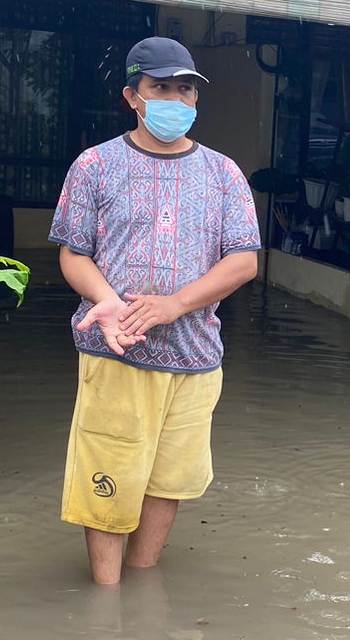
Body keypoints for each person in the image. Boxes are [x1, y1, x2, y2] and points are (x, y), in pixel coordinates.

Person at [50, 38, 261, 585]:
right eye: (160, 87)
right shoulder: (95, 165)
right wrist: (107, 300)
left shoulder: (223, 174)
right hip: (117, 350)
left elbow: (243, 261)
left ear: (196, 97)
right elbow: (73, 254)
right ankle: (106, 598)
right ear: (132, 96)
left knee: (170, 480)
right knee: (109, 474)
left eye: (184, 88)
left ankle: (140, 592)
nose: (175, 97)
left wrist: (174, 305)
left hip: (195, 359)